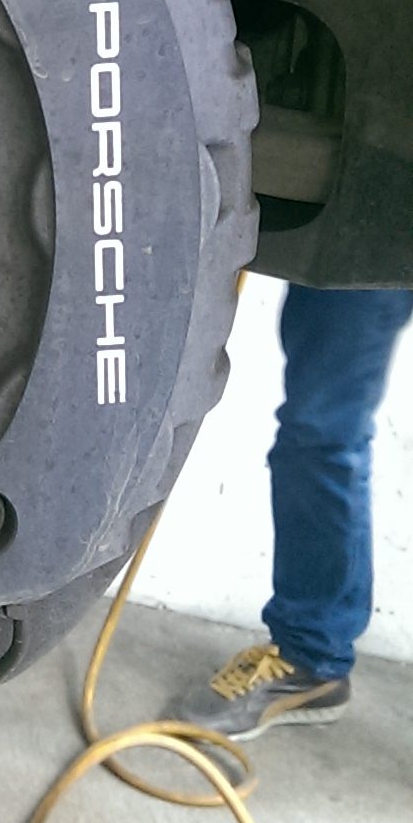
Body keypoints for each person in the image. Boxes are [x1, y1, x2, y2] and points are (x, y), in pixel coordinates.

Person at [170, 284, 413, 742]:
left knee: (323, 432)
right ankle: (310, 658)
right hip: (365, 239)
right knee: (320, 430)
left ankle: (312, 652)